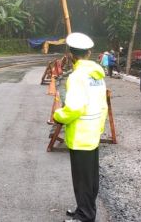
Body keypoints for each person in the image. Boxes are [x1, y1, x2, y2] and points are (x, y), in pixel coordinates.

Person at [54, 32, 108, 222]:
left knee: (82, 179)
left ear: (69, 54)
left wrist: (58, 115)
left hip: (80, 135)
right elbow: (103, 105)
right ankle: (83, 209)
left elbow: (74, 108)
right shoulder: (97, 74)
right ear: (90, 52)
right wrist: (100, 128)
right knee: (90, 178)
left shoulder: (77, 77)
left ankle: (85, 216)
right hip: (93, 132)